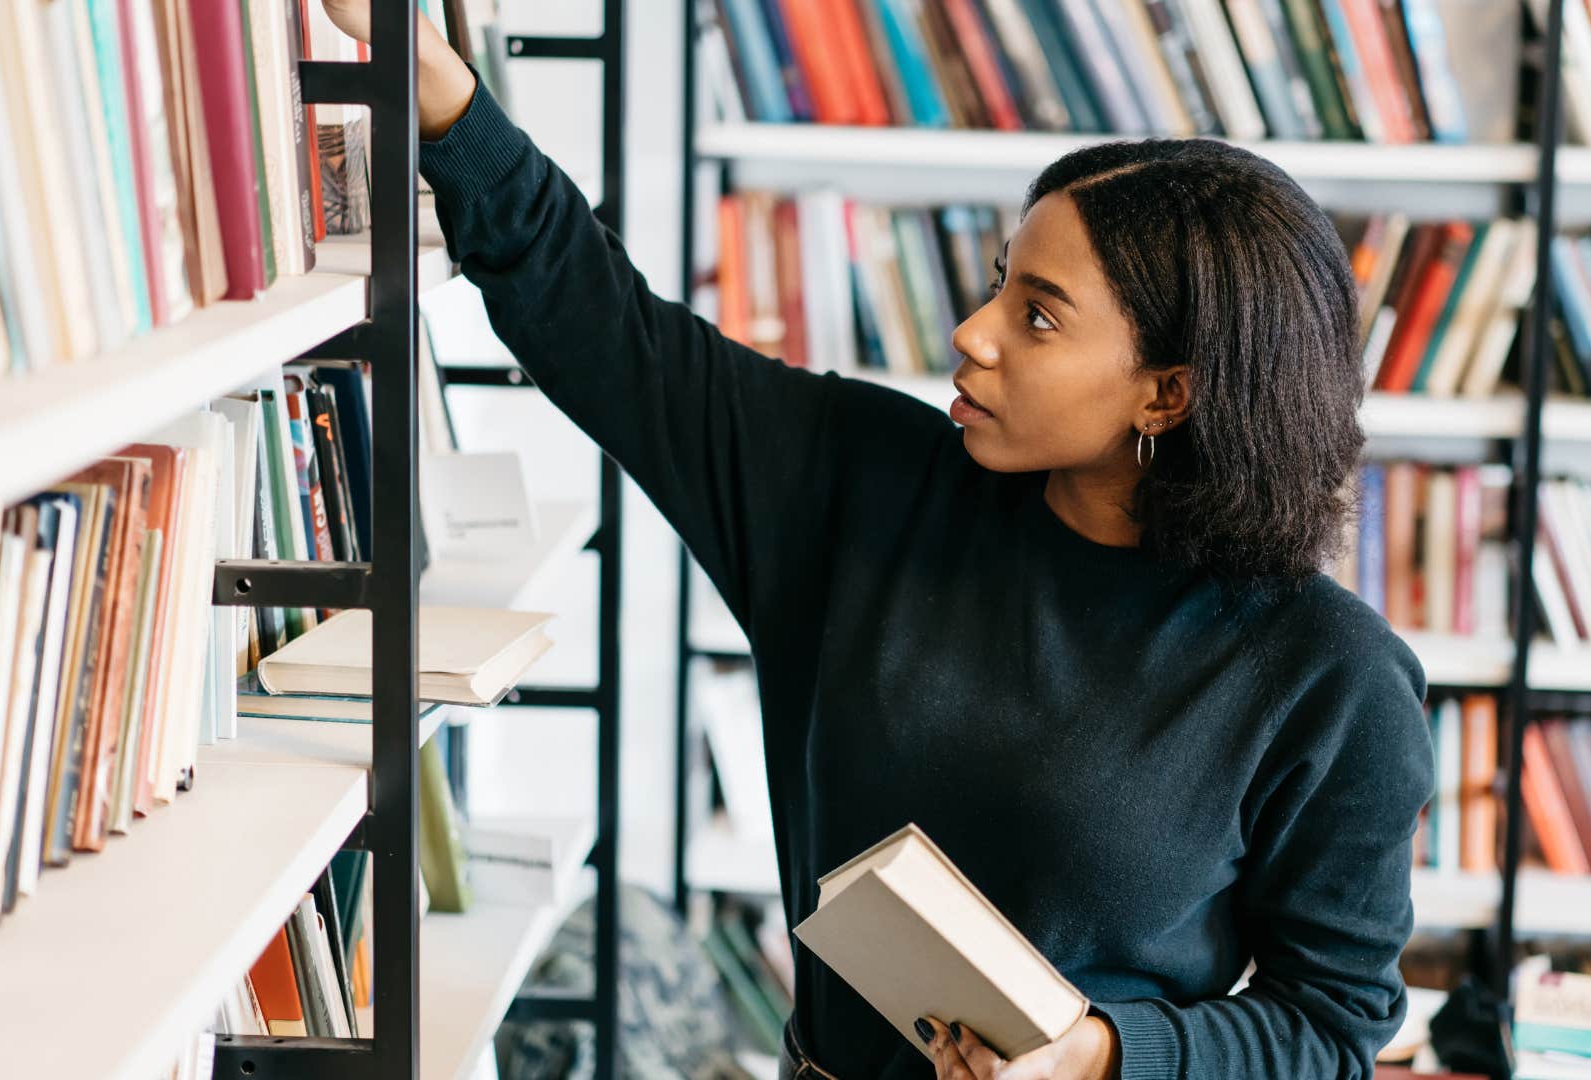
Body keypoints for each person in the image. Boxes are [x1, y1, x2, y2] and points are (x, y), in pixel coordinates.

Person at [319, 5, 1432, 1078]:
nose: (972, 332)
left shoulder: (1329, 679)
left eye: (1038, 316)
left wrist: (1102, 1055)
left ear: (1167, 393)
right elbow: (608, 330)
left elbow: (1329, 1029)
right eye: (1001, 283)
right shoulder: (857, 483)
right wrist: (443, 98)